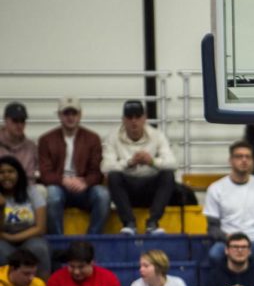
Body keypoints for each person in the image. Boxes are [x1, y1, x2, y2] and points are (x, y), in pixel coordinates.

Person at [101, 100, 177, 235]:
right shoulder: (112, 137)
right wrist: (129, 162)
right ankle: (129, 223)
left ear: (144, 118)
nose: (134, 122)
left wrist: (151, 161)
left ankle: (153, 223)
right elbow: (105, 167)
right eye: (130, 117)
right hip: (127, 189)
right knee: (113, 177)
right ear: (123, 120)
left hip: (150, 188)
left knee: (168, 175)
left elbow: (173, 163)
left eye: (138, 117)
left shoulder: (157, 135)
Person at [38, 97, 110, 235]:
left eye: (74, 113)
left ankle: (92, 241)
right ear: (59, 115)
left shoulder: (93, 138)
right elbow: (45, 173)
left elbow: (96, 172)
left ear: (80, 115)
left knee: (103, 195)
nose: (70, 117)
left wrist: (85, 182)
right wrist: (63, 180)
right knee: (52, 195)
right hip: (59, 186)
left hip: (84, 188)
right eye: (66, 114)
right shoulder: (46, 140)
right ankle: (59, 244)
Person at [203, 141, 254, 264]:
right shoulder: (216, 188)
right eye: (239, 156)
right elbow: (212, 227)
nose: (244, 160)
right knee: (215, 254)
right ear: (230, 160)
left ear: (253, 161)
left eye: (248, 157)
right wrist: (229, 239)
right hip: (228, 241)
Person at [0, 154, 50, 277]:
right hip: (2, 239)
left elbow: (40, 228)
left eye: (10, 171)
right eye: (1, 172)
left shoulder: (32, 191)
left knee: (39, 248)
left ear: (19, 174)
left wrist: (12, 238)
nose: (6, 175)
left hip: (30, 237)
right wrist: (1, 208)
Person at [0, 102, 39, 185]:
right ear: (5, 120)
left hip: (25, 190)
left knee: (41, 191)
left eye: (22, 121)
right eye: (15, 121)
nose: (19, 125)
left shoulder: (31, 147)